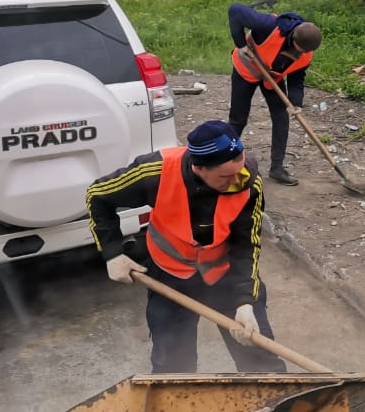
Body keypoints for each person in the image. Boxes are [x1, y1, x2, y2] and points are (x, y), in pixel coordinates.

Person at [85, 120, 285, 373]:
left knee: (260, 358)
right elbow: (98, 195)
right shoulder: (154, 171)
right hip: (169, 276)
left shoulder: (248, 182)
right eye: (226, 176)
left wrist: (244, 302)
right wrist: (112, 253)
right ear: (198, 167)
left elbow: (247, 245)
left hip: (225, 275)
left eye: (240, 166)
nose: (237, 179)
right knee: (172, 365)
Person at [227, 3, 323, 186]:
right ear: (293, 36)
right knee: (238, 119)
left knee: (281, 117)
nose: (300, 53)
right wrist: (240, 44)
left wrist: (296, 104)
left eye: (305, 51)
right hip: (246, 70)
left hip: (271, 78)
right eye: (298, 48)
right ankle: (223, 161)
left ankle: (277, 168)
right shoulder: (269, 25)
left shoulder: (305, 53)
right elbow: (235, 10)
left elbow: (297, 78)